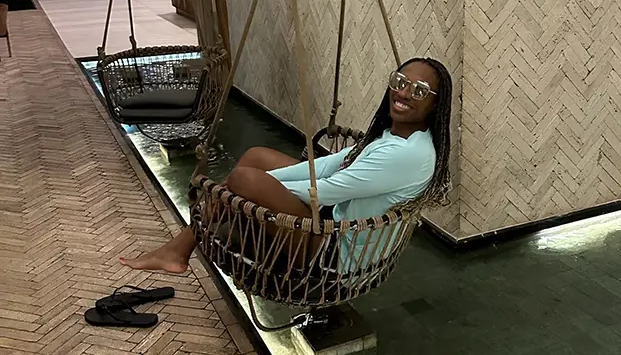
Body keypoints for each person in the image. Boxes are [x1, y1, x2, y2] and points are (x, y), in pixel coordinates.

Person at [121, 57, 452, 275]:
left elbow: (323, 192)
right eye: (400, 81)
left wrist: (246, 191)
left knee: (243, 179)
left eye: (419, 90)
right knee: (255, 159)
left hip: (336, 252)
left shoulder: (406, 154)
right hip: (330, 222)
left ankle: (179, 247)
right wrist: (252, 186)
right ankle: (180, 249)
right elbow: (329, 165)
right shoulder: (391, 136)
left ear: (435, 103)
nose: (404, 92)